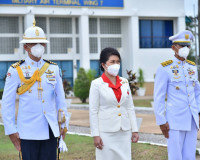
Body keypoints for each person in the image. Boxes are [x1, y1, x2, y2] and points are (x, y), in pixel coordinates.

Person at [1, 20, 69, 160]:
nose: (39, 46)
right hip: (27, 131)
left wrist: (64, 124)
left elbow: (60, 99)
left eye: (42, 43)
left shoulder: (53, 68)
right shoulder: (16, 70)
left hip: (50, 129)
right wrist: (11, 130)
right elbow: (7, 102)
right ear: (26, 47)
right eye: (34, 43)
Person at [154, 30, 200, 160]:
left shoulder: (192, 67)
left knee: (190, 155)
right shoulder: (165, 68)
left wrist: (199, 113)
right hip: (174, 121)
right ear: (173, 47)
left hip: (192, 119)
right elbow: (159, 97)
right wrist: (161, 120)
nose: (185, 49)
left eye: (188, 46)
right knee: (175, 156)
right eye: (182, 46)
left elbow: (197, 92)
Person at [89, 47, 139, 160]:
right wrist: (95, 135)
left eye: (118, 62)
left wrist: (134, 130)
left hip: (124, 131)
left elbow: (130, 107)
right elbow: (93, 111)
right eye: (112, 62)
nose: (115, 64)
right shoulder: (96, 84)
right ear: (103, 64)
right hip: (106, 132)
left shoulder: (125, 82)